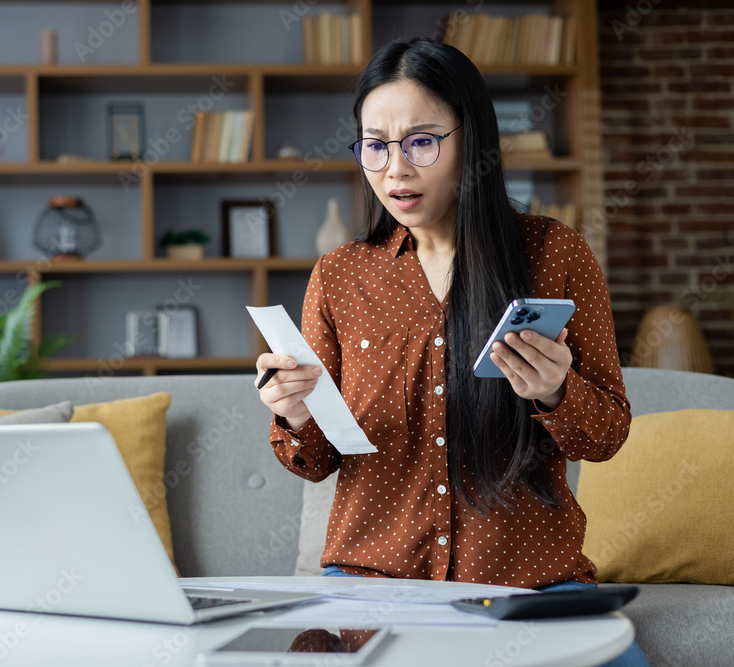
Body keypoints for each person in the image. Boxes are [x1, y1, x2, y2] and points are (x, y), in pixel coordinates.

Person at [255, 38, 648, 666]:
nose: (395, 170)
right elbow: (314, 461)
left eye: (421, 141)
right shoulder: (339, 277)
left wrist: (555, 392)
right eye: (375, 145)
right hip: (372, 583)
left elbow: (606, 437)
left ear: (473, 142)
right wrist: (296, 413)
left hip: (528, 582)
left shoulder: (557, 255)